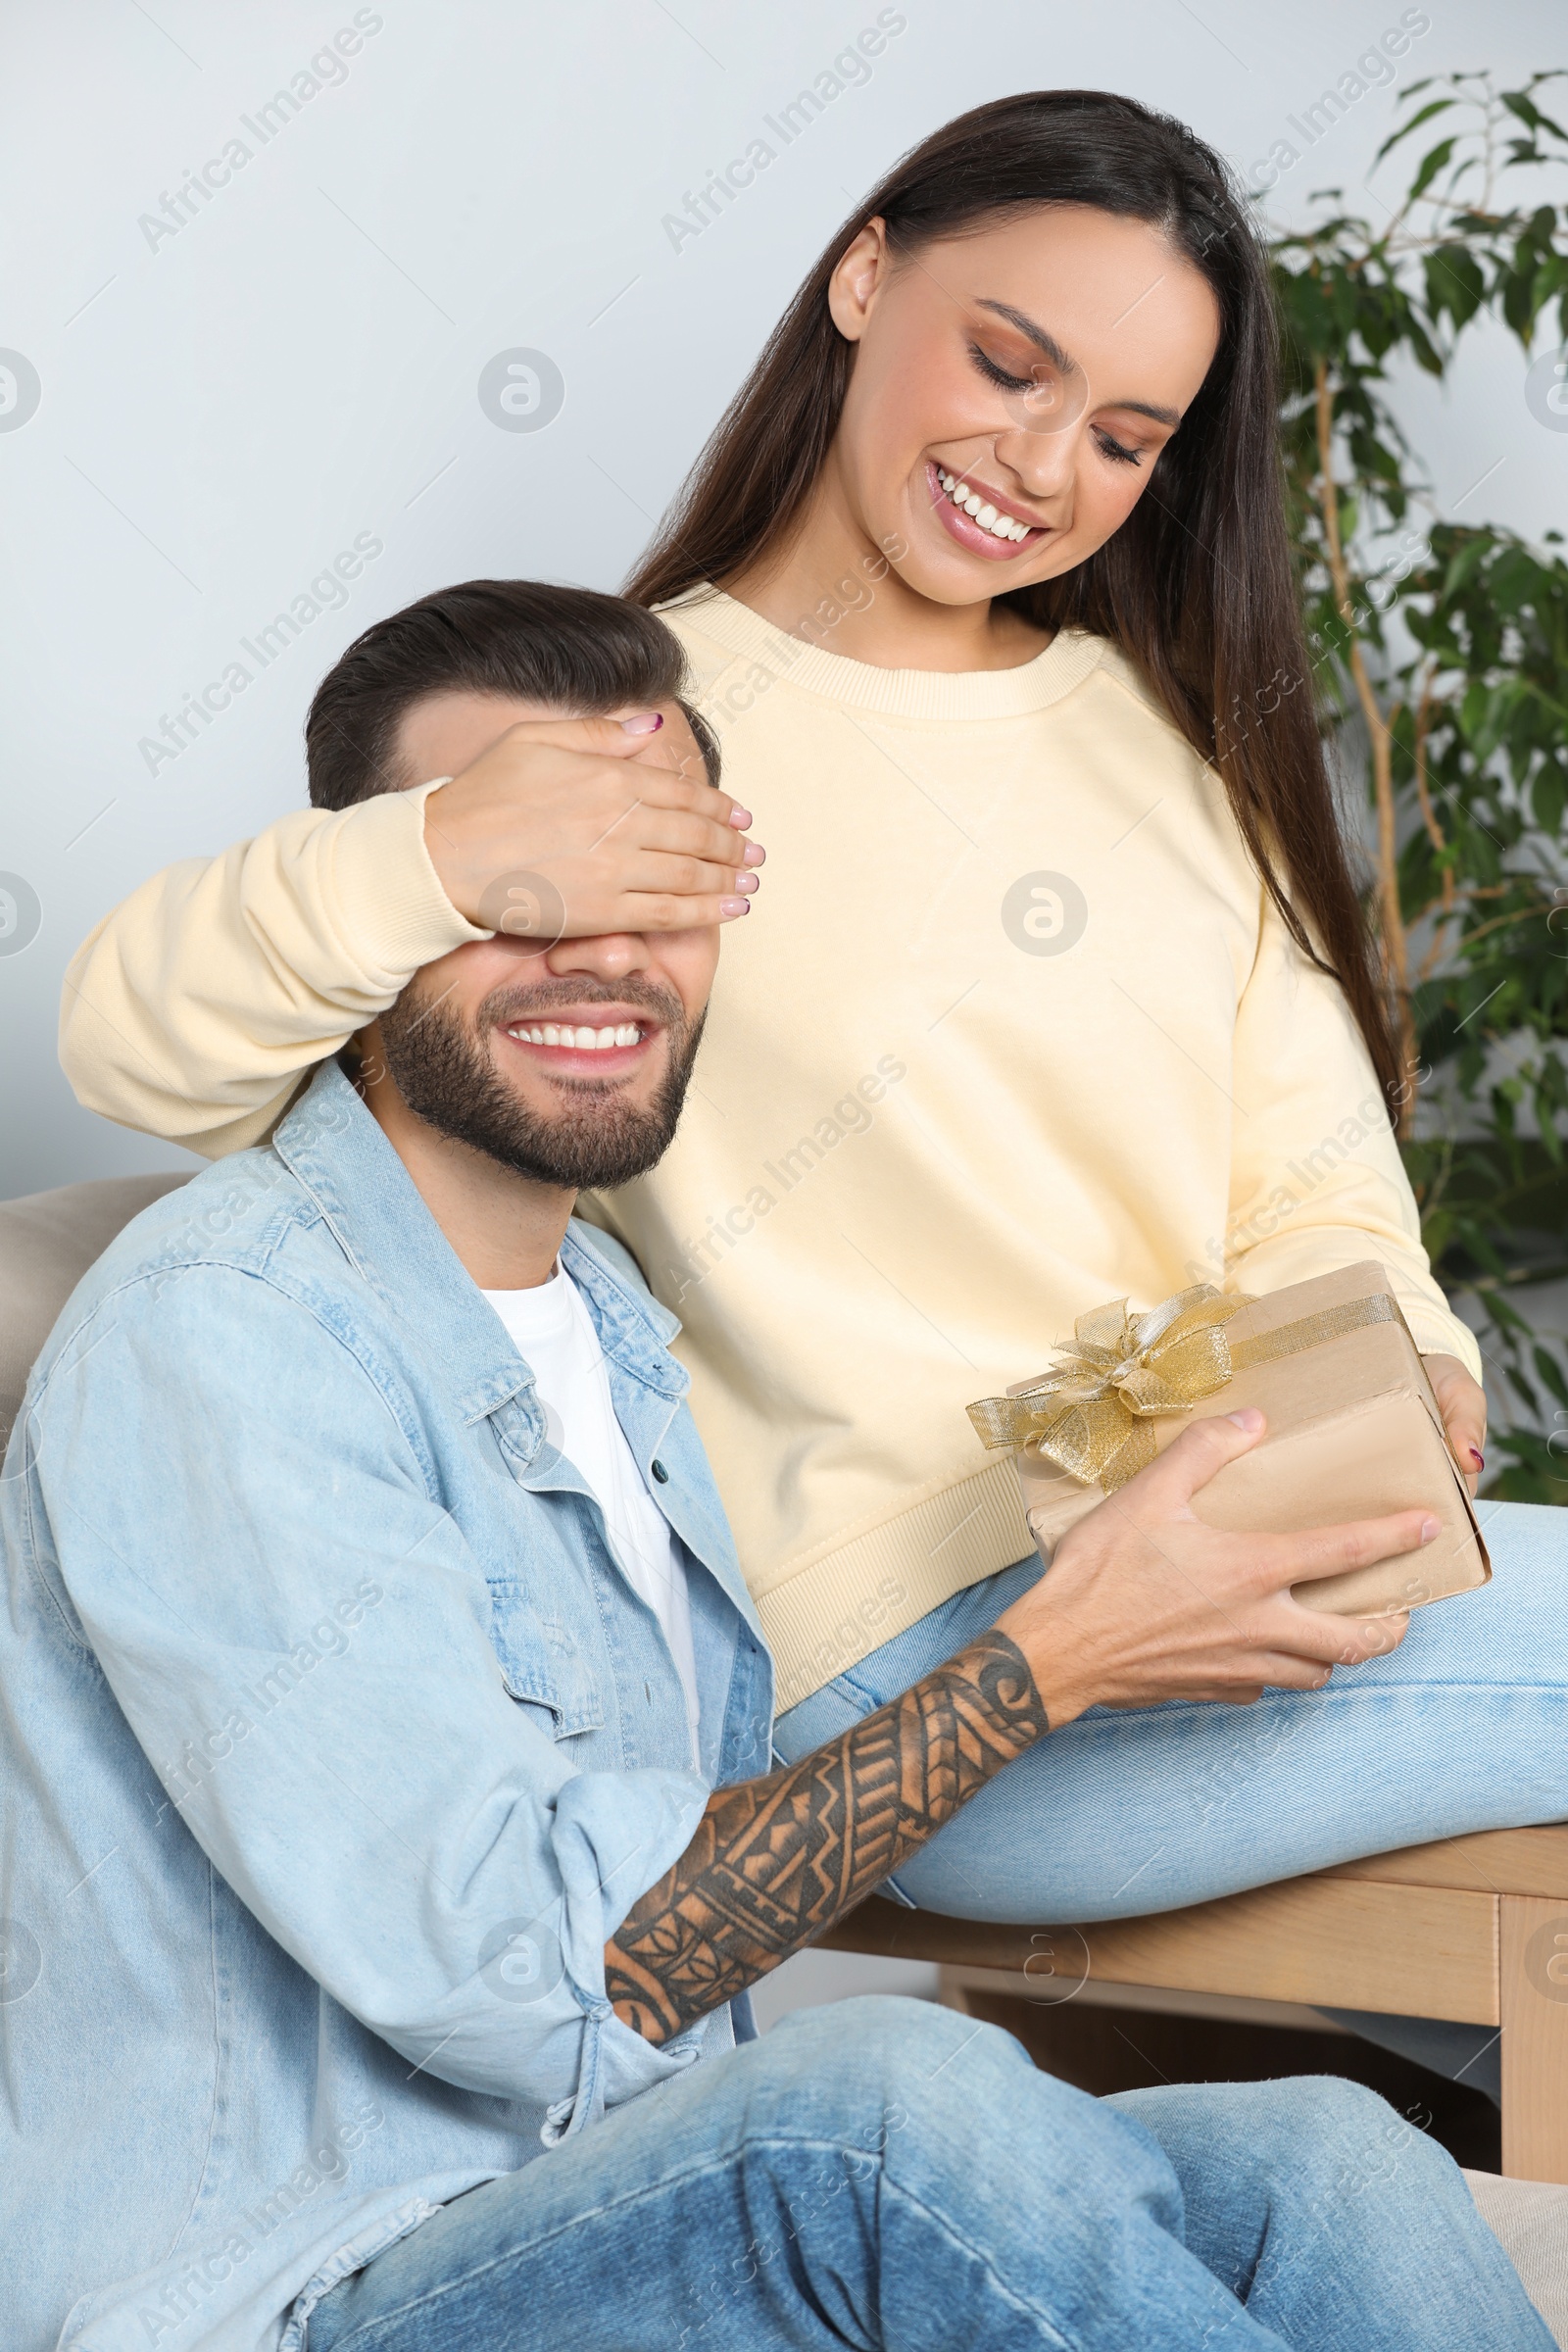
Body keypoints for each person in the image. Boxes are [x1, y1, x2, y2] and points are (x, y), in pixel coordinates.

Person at [57, 93, 1565, 2016]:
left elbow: (1306, 1176)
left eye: (1121, 436)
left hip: (1246, 1546)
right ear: (864, 274)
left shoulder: (1146, 730)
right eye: (1005, 364)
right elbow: (136, 1045)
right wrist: (442, 850)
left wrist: (1399, 1374)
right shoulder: (624, 736)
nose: (1038, 464)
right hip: (921, 1658)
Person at [5, 585, 1548, 2352]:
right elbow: (552, 1984)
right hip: (301, 2293)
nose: (602, 956)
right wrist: (1053, 1661)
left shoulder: (618, 1334)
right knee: (885, 2104)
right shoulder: (227, 1332)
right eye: (523, 895)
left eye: (660, 894)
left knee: (1335, 2161)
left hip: (593, 2204)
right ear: (381, 906)